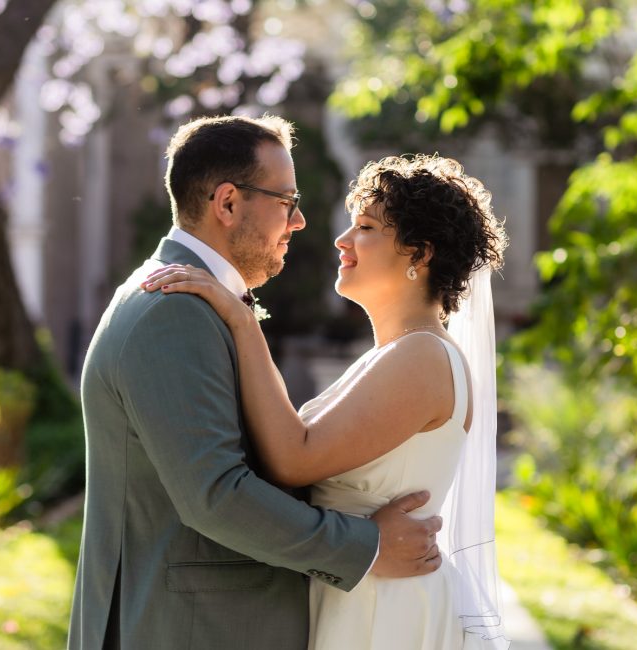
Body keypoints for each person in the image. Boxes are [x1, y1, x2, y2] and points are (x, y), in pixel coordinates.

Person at [67, 115, 445, 650]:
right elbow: (217, 496)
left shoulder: (191, 302)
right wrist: (367, 546)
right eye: (287, 202)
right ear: (227, 203)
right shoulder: (171, 312)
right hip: (191, 631)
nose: (300, 222)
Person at [142, 153, 510, 649]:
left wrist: (241, 322)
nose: (342, 240)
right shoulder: (396, 354)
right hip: (356, 593)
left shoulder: (423, 356)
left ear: (419, 254)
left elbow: (295, 457)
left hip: (385, 612)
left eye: (365, 227)